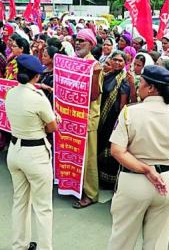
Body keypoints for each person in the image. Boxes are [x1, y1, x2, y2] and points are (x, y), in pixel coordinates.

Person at [108, 65, 169, 250]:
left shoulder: (130, 112)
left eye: (141, 82)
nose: (138, 86)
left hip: (135, 180)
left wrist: (146, 169)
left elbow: (117, 151)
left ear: (151, 88)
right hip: (167, 181)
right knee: (157, 242)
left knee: (122, 239)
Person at [5, 54, 57, 250]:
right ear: (37, 77)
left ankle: (20, 245)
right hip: (35, 154)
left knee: (20, 202)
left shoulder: (11, 93)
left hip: (15, 150)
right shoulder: (38, 98)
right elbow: (52, 127)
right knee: (43, 207)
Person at [72, 28, 103, 208]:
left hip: (88, 116)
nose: (78, 43)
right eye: (77, 40)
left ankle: (91, 193)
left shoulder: (94, 65)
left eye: (82, 40)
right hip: (72, 115)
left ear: (91, 45)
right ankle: (75, 186)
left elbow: (93, 96)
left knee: (88, 157)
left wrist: (96, 74)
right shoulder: (74, 62)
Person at [97, 50, 134, 190]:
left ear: (125, 63)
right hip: (101, 113)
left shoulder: (124, 79)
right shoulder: (106, 74)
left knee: (108, 148)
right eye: (115, 60)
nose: (117, 63)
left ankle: (109, 181)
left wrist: (117, 123)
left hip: (113, 117)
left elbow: (122, 104)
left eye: (120, 61)